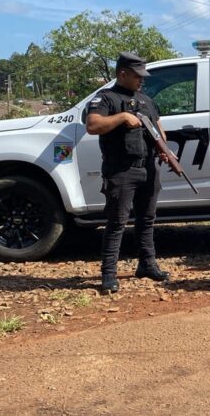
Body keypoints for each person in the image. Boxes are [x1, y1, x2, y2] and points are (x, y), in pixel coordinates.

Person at [86, 52, 170, 293]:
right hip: (121, 170)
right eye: (137, 76)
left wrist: (163, 149)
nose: (141, 80)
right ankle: (109, 275)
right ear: (122, 74)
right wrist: (122, 117)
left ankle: (147, 264)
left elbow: (159, 129)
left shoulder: (146, 99)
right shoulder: (106, 98)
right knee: (117, 223)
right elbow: (92, 126)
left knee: (147, 220)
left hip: (148, 167)